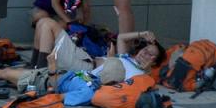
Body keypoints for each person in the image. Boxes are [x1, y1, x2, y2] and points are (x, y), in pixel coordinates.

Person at [31, 17, 166, 77]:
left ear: (154, 63)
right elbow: (121, 38)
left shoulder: (139, 74)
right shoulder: (128, 58)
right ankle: (35, 70)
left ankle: (39, 76)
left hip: (86, 68)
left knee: (48, 24)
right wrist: (143, 34)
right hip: (85, 58)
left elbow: (116, 80)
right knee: (42, 22)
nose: (144, 53)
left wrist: (146, 69)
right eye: (145, 49)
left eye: (150, 54)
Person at [28, 0, 92, 66]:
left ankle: (51, 54)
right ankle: (38, 60)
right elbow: (55, 3)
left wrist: (83, 26)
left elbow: (86, 8)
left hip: (62, 16)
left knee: (62, 25)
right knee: (43, 20)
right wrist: (69, 21)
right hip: (45, 12)